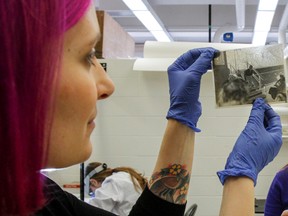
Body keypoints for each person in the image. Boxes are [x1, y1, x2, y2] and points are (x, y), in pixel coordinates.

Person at [0, 1, 282, 216]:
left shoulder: (37, 197)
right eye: (88, 56)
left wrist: (182, 120)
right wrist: (241, 176)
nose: (107, 84)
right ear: (13, 72)